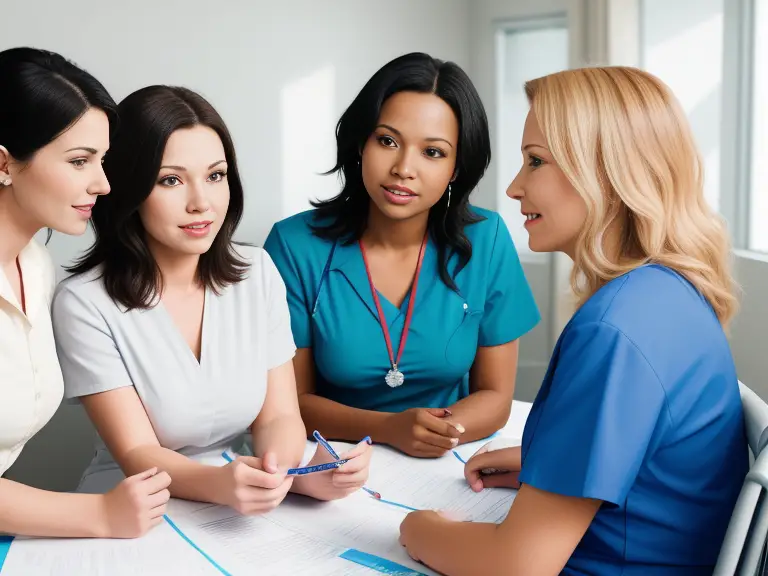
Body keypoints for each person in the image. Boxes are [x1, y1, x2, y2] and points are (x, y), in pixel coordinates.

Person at [398, 66, 748, 575]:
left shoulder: (615, 329)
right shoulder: (669, 292)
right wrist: (547, 462)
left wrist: (419, 528)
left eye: (535, 161)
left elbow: (515, 566)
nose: (515, 188)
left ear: (607, 171)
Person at [51, 85, 371, 515]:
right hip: (134, 507)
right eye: (171, 180)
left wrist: (291, 473)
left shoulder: (257, 272)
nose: (201, 203)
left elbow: (279, 417)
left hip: (236, 493)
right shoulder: (84, 302)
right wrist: (220, 484)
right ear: (129, 188)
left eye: (215, 176)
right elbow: (137, 453)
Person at [264, 52, 540, 458]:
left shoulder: (487, 239)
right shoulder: (293, 246)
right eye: (388, 141)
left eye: (433, 152)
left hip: (447, 459)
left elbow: (495, 397)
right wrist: (388, 429)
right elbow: (291, 404)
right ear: (361, 143)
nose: (403, 168)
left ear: (456, 168)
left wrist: (436, 432)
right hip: (329, 459)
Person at [0, 47, 170, 539]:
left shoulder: (35, 265)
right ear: (5, 163)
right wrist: (97, 515)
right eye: (79, 161)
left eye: (103, 160)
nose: (102, 183)